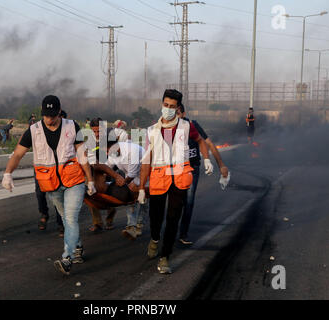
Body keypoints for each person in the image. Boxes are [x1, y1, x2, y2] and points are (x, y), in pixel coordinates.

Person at [2, 95, 96, 276]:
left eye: (53, 115)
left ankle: (67, 258)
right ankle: (78, 247)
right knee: (66, 218)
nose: (49, 119)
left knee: (70, 218)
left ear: (59, 112)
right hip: (51, 184)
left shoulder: (72, 126)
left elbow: (82, 154)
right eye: (46, 115)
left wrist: (90, 179)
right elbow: (17, 154)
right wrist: (8, 173)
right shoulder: (33, 130)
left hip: (74, 181)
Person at [138, 89, 219, 274]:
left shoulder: (186, 126)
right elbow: (146, 161)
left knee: (173, 218)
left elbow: (200, 141)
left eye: (172, 107)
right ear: (161, 104)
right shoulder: (151, 131)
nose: (168, 109)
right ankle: (155, 239)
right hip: (158, 179)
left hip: (180, 179)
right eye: (165, 105)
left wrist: (206, 159)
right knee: (156, 218)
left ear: (178, 108)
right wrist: (142, 187)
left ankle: (165, 257)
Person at [176, 104, 230, 245]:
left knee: (189, 201)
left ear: (183, 114)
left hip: (192, 168)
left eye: (177, 113)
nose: (175, 117)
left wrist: (221, 165)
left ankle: (183, 233)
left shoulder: (192, 125)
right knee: (175, 202)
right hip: (174, 170)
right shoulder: (168, 127)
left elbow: (209, 143)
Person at [92, 129, 148, 240]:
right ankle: (133, 226)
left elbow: (132, 174)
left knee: (138, 198)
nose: (107, 153)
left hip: (145, 175)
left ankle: (136, 225)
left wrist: (122, 182)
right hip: (131, 176)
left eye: (107, 150)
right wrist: (100, 178)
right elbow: (108, 166)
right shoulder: (113, 152)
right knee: (132, 199)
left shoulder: (132, 150)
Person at [27, 112, 65, 237]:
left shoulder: (67, 131)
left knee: (57, 195)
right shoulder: (39, 130)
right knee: (39, 192)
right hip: (42, 167)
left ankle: (61, 223)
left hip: (58, 168)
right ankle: (44, 213)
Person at [87, 118, 117, 232]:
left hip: (110, 168)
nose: (96, 134)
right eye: (94, 131)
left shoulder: (110, 137)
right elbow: (89, 157)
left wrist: (107, 171)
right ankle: (97, 223)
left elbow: (114, 157)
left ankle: (109, 219)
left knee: (110, 195)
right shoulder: (89, 140)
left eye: (99, 131)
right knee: (92, 195)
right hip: (94, 169)